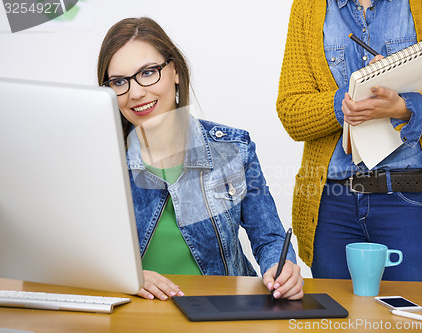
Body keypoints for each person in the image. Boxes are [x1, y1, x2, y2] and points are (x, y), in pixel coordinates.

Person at [97, 17, 303, 300]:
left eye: (148, 73)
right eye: (119, 81)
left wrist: (282, 268)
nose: (135, 93)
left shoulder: (233, 148)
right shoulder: (99, 160)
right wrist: (123, 277)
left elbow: (270, 238)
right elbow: (71, 251)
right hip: (134, 313)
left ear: (176, 71)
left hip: (220, 311)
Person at [276, 0, 422, 281]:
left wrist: (403, 106)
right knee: (339, 322)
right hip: (333, 205)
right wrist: (345, 103)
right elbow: (292, 111)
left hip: (412, 203)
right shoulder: (308, 6)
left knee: (415, 321)